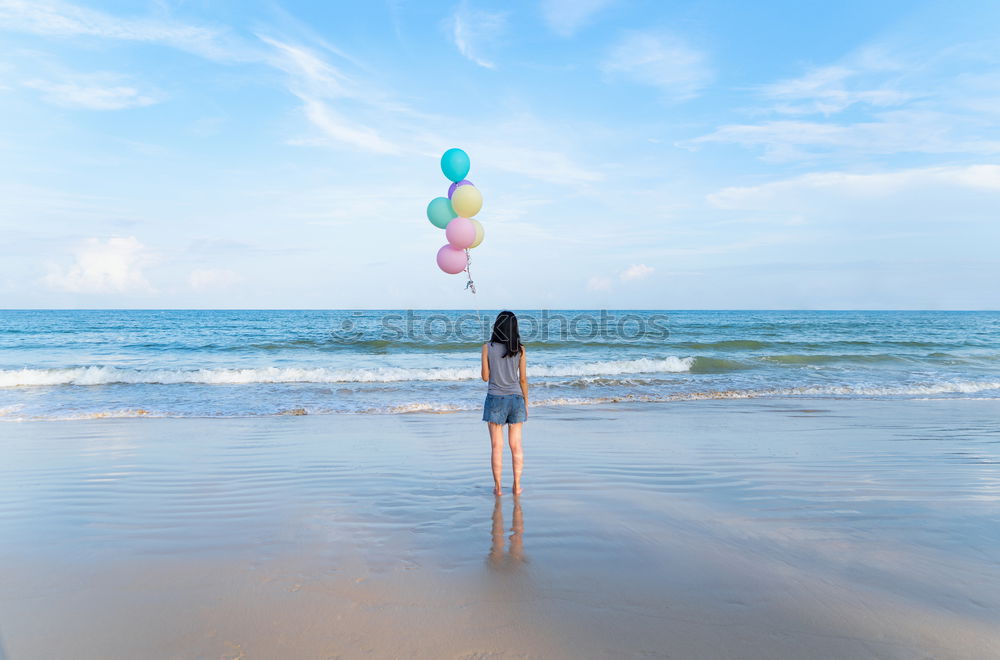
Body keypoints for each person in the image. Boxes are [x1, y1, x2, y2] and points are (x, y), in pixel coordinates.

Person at [481, 311, 527, 495]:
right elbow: (522, 380)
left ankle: (498, 488)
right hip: (516, 399)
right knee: (516, 445)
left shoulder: (487, 347)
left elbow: (485, 377)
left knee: (496, 447)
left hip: (495, 398)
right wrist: (526, 403)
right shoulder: (521, 349)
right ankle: (516, 486)